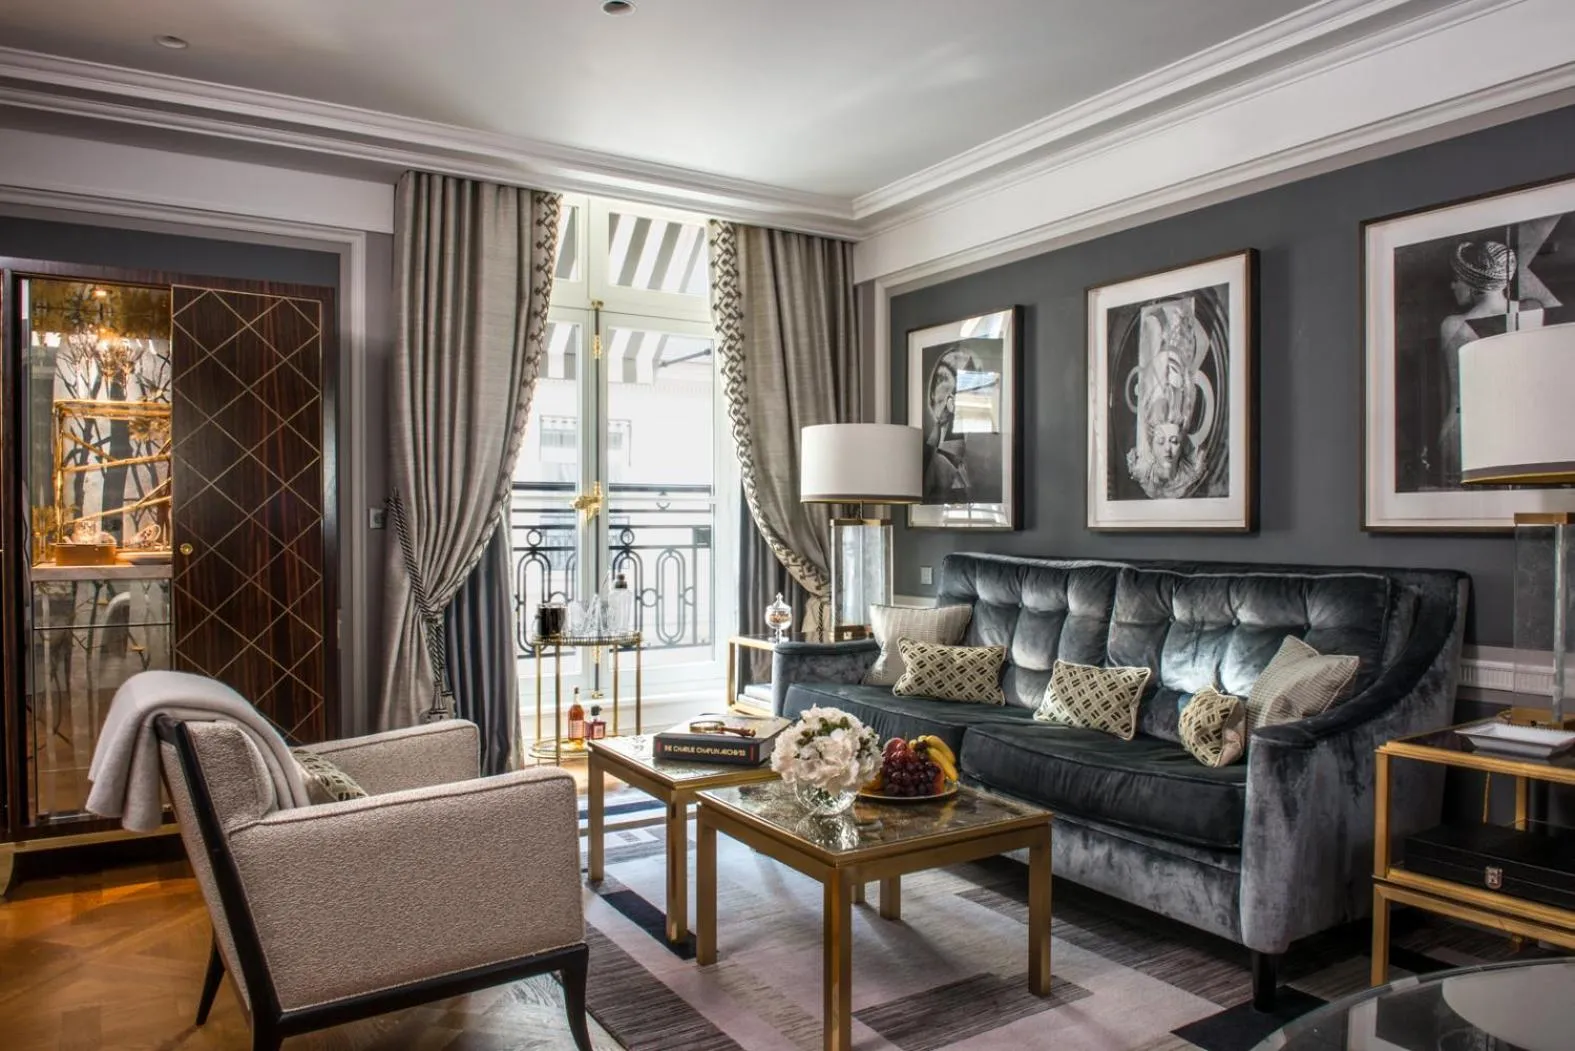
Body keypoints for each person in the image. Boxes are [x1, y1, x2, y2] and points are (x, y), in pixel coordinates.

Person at [1436, 240, 1541, 486]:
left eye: (1457, 279)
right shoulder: (1533, 312)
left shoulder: (1452, 325)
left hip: (1467, 432)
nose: (1453, 285)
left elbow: (1457, 399)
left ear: (1474, 283)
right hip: (1522, 431)